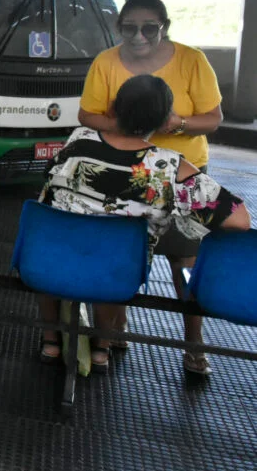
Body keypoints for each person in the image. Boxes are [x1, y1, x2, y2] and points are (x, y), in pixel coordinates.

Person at [41, 74, 249, 375]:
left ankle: (50, 340)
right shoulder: (168, 168)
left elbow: (50, 180)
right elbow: (240, 220)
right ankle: (102, 347)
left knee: (63, 240)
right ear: (166, 120)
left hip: (46, 261)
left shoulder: (78, 140)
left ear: (113, 109)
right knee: (115, 256)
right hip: (117, 273)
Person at [78, 0, 225, 371]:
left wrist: (179, 125)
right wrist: (133, 129)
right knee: (116, 254)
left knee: (185, 259)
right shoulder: (106, 62)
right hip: (125, 170)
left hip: (183, 174)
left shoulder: (193, 61)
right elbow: (88, 114)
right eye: (129, 28)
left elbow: (213, 117)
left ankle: (194, 343)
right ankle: (108, 334)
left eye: (149, 28)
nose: (138, 36)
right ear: (118, 28)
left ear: (165, 27)